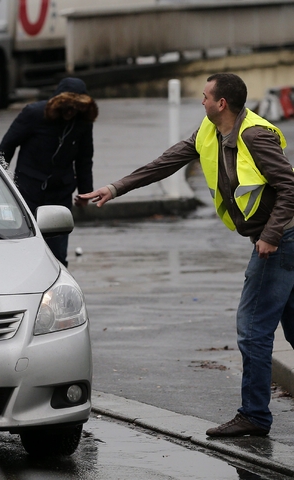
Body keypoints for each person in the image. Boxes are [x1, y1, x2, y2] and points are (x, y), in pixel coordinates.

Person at [80, 73, 294, 437]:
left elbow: (289, 186)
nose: (202, 102)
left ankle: (255, 415)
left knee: (252, 330)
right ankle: (255, 413)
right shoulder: (208, 133)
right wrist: (115, 188)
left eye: (206, 96)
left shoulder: (254, 135)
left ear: (221, 103)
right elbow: (165, 163)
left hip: (281, 240)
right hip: (276, 239)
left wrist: (271, 236)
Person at [0, 77, 98, 266]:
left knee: (57, 255)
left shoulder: (83, 123)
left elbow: (84, 159)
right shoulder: (33, 114)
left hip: (60, 194)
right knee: (23, 247)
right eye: (67, 107)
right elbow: (7, 147)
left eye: (76, 108)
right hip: (27, 191)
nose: (70, 112)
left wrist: (85, 192)